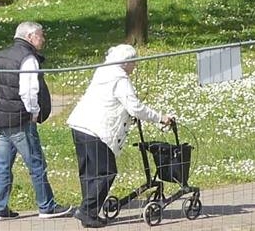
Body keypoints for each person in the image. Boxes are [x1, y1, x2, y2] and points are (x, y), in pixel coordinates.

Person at [67, 44, 175, 228]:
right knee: (107, 171)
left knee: (89, 172)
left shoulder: (103, 71)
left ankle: (90, 212)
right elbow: (135, 107)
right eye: (134, 62)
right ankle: (86, 211)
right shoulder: (120, 79)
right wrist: (160, 118)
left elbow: (112, 101)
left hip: (80, 124)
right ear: (126, 62)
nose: (135, 66)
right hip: (96, 129)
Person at [0, 21, 69, 221]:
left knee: (2, 165)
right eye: (41, 35)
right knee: (36, 164)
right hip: (20, 120)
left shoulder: (2, 54)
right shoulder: (28, 59)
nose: (43, 39)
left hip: (1, 120)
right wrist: (33, 112)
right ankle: (47, 206)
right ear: (30, 37)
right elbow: (29, 90)